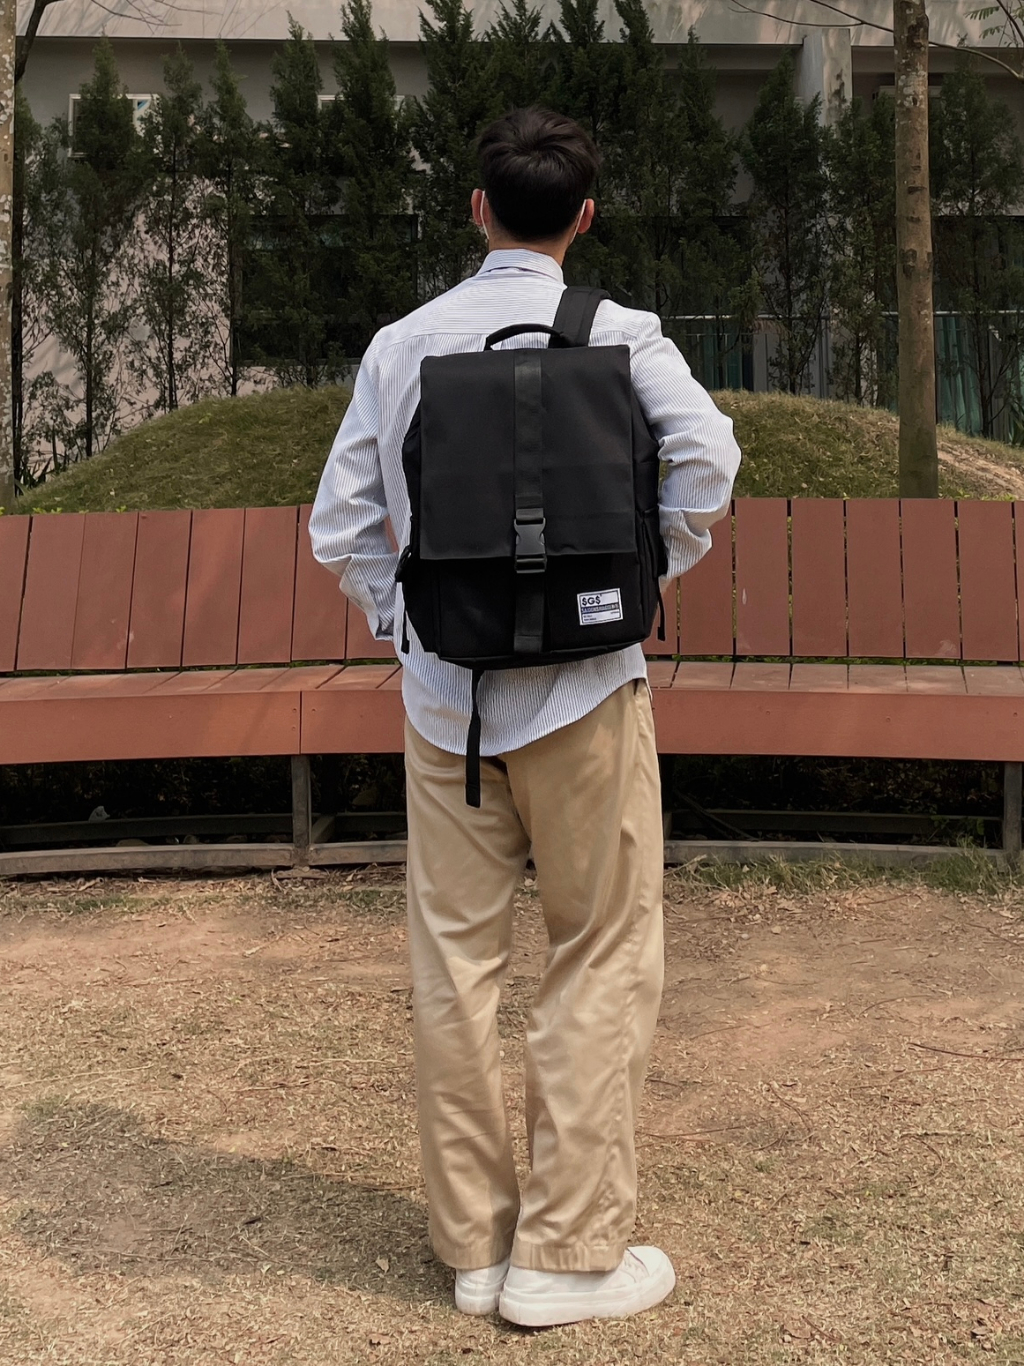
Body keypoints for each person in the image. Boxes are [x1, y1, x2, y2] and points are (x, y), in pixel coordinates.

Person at [310, 106, 741, 1328]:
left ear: (477, 208)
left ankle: (475, 1245)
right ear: (584, 217)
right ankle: (567, 1249)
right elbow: (708, 461)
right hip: (588, 695)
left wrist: (409, 621)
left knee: (453, 967)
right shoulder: (622, 333)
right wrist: (638, 576)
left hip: (446, 710)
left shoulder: (402, 345)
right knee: (600, 951)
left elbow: (340, 526)